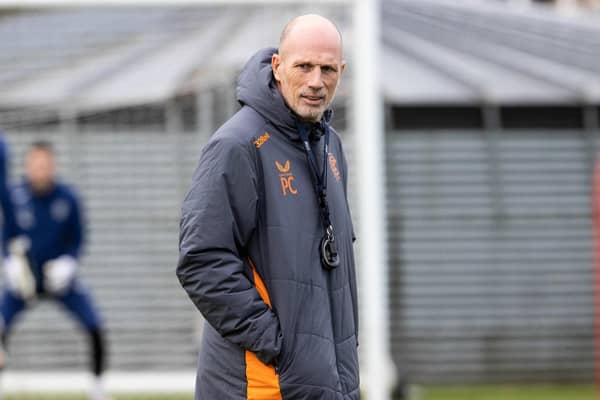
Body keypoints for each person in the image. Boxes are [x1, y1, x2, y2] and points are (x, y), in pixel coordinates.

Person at [177, 14, 359, 400]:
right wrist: (278, 344)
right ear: (277, 67)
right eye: (304, 66)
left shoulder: (331, 146)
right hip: (262, 386)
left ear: (341, 71)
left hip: (327, 383)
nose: (315, 81)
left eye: (327, 69)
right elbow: (201, 261)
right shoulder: (237, 144)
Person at [0, 141, 110, 400]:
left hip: (59, 280)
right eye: (35, 164)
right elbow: (6, 235)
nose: (40, 169)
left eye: (45, 164)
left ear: (53, 166)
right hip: (24, 279)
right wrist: (9, 263)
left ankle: (97, 389)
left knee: (94, 325)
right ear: (27, 166)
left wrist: (68, 264)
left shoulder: (68, 198)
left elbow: (77, 238)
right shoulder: (14, 197)